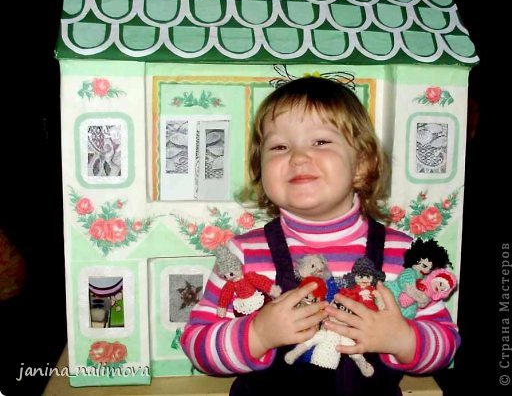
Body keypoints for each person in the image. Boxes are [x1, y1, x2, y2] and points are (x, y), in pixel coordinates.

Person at [181, 76, 460, 395]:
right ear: (261, 169)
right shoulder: (242, 254)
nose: (298, 157)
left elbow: (446, 344)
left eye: (321, 142)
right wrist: (257, 335)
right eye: (279, 146)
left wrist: (401, 340)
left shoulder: (402, 253)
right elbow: (197, 344)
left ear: (361, 165)